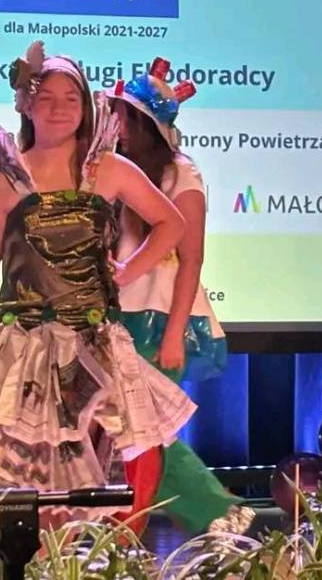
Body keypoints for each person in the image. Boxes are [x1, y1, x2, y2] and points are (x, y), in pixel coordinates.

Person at [0, 41, 193, 526]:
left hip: (93, 345)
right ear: (27, 105)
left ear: (85, 108)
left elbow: (172, 224)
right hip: (26, 347)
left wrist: (128, 270)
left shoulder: (108, 169)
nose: (58, 109)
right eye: (46, 98)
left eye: (70, 99)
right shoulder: (7, 182)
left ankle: (86, 552)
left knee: (106, 463)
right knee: (11, 471)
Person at [104, 59, 254, 535]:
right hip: (118, 315)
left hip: (160, 317)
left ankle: (215, 514)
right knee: (132, 430)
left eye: (123, 115)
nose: (115, 123)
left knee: (145, 431)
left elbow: (192, 259)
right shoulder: (117, 171)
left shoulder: (181, 174)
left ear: (144, 123)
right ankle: (202, 517)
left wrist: (173, 335)